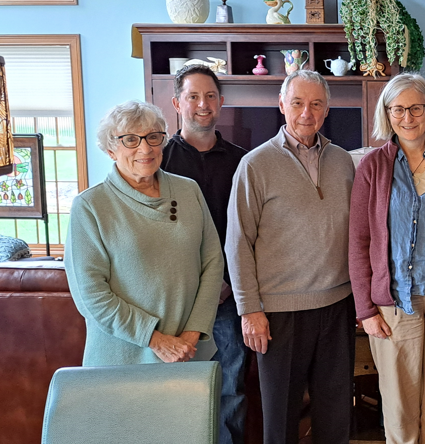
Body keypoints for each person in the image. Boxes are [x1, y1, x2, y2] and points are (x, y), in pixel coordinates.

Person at [226, 70, 356, 444]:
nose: (306, 113)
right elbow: (238, 242)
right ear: (282, 105)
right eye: (297, 103)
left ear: (327, 109)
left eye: (316, 104)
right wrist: (250, 311)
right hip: (278, 314)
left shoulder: (343, 161)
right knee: (280, 424)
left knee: (335, 419)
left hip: (337, 306)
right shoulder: (255, 164)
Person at [349, 73, 425, 444]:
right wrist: (366, 311)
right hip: (393, 306)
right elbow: (358, 241)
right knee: (400, 414)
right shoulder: (372, 166)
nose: (408, 117)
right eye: (398, 109)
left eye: (416, 107)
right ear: (387, 113)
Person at [66, 100, 223, 366]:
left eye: (153, 137)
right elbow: (90, 295)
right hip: (123, 360)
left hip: (190, 354)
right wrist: (157, 340)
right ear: (110, 150)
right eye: (130, 139)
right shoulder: (90, 206)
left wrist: (191, 335)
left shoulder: (189, 191)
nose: (145, 148)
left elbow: (212, 262)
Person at [160, 64, 250, 444]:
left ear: (221, 103)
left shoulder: (244, 161)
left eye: (210, 96)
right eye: (193, 96)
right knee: (177, 386)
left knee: (230, 386)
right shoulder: (158, 162)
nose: (202, 104)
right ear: (177, 102)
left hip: (228, 297)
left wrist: (228, 284)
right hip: (176, 299)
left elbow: (252, 230)